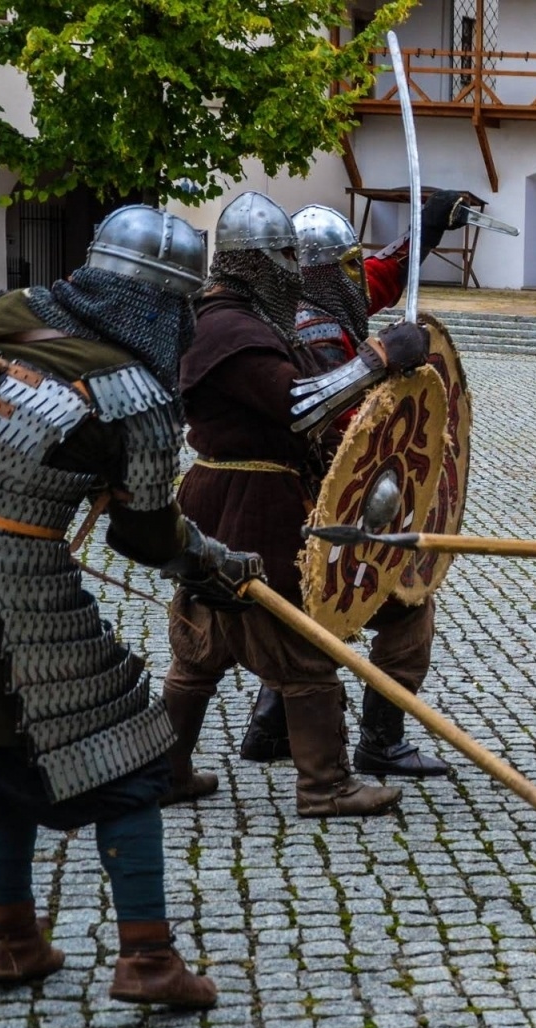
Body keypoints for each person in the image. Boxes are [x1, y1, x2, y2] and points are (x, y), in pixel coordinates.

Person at [0, 205, 249, 1007]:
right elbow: (145, 535)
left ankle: (12, 941)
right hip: (1, 608)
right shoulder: (131, 395)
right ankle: (148, 962)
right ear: (168, 307)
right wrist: (215, 566)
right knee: (133, 763)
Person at [160, 191, 432, 818]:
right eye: (283, 254)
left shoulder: (237, 318)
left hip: (222, 499)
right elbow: (298, 404)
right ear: (256, 260)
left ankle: (166, 770)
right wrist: (380, 357)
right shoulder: (230, 329)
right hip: (252, 503)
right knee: (299, 643)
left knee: (201, 646)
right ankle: (325, 785)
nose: (293, 265)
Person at [236, 192, 470, 777]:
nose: (357, 276)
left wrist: (426, 230)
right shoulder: (315, 336)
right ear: (319, 272)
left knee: (299, 611)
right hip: (325, 502)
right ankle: (380, 740)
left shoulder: (296, 301)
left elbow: (380, 277)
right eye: (345, 265)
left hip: (286, 502)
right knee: (404, 608)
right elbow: (347, 437)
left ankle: (270, 723)